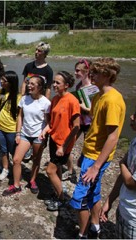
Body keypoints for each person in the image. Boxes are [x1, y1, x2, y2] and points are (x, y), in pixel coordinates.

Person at [69, 58, 126, 239]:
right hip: (90, 152)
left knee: (79, 199)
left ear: (107, 75)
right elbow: (94, 124)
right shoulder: (99, 95)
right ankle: (94, 227)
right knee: (93, 193)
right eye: (90, 71)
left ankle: (83, 234)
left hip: (96, 157)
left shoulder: (112, 100)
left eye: (95, 72)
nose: (90, 75)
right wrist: (84, 153)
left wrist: (94, 166)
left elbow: (113, 136)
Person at [2, 75, 51, 196]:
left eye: (32, 84)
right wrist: (18, 133)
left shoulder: (46, 102)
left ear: (40, 87)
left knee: (36, 159)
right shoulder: (24, 99)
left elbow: (49, 122)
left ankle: (33, 180)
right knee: (17, 159)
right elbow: (20, 116)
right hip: (25, 133)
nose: (29, 86)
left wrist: (44, 133)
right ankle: (16, 185)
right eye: (29, 83)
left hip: (38, 136)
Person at [40, 71, 80, 211]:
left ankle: (61, 199)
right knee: (55, 169)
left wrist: (63, 146)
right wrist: (45, 131)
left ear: (67, 85)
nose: (54, 85)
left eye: (58, 83)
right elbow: (52, 121)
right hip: (54, 139)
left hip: (64, 143)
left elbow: (76, 127)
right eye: (54, 82)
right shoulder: (55, 99)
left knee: (50, 170)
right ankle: (57, 192)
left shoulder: (72, 101)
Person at [100, 110, 136, 239]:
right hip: (123, 210)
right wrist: (109, 202)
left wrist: (122, 164)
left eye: (135, 115)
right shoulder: (134, 142)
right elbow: (123, 177)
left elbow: (131, 183)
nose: (131, 117)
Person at [63, 59, 96, 181]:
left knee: (89, 150)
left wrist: (79, 105)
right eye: (75, 70)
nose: (75, 73)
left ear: (86, 71)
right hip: (77, 122)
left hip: (90, 123)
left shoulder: (94, 88)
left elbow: (93, 110)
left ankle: (87, 175)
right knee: (67, 146)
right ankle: (70, 170)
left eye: (78, 71)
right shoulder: (78, 86)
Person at [21, 41, 53, 161]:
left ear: (45, 54)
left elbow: (48, 88)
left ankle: (39, 143)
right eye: (36, 50)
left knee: (41, 122)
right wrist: (22, 97)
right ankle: (26, 145)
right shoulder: (29, 66)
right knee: (25, 120)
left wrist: (46, 104)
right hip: (28, 99)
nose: (36, 52)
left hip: (39, 101)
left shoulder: (48, 70)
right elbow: (24, 82)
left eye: (39, 51)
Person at [0, 71, 20, 181]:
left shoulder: (18, 97)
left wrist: (18, 132)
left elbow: (20, 116)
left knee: (13, 151)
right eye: (1, 79)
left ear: (11, 82)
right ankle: (5, 168)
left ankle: (16, 169)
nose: (1, 82)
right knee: (3, 150)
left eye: (4, 80)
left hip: (12, 129)